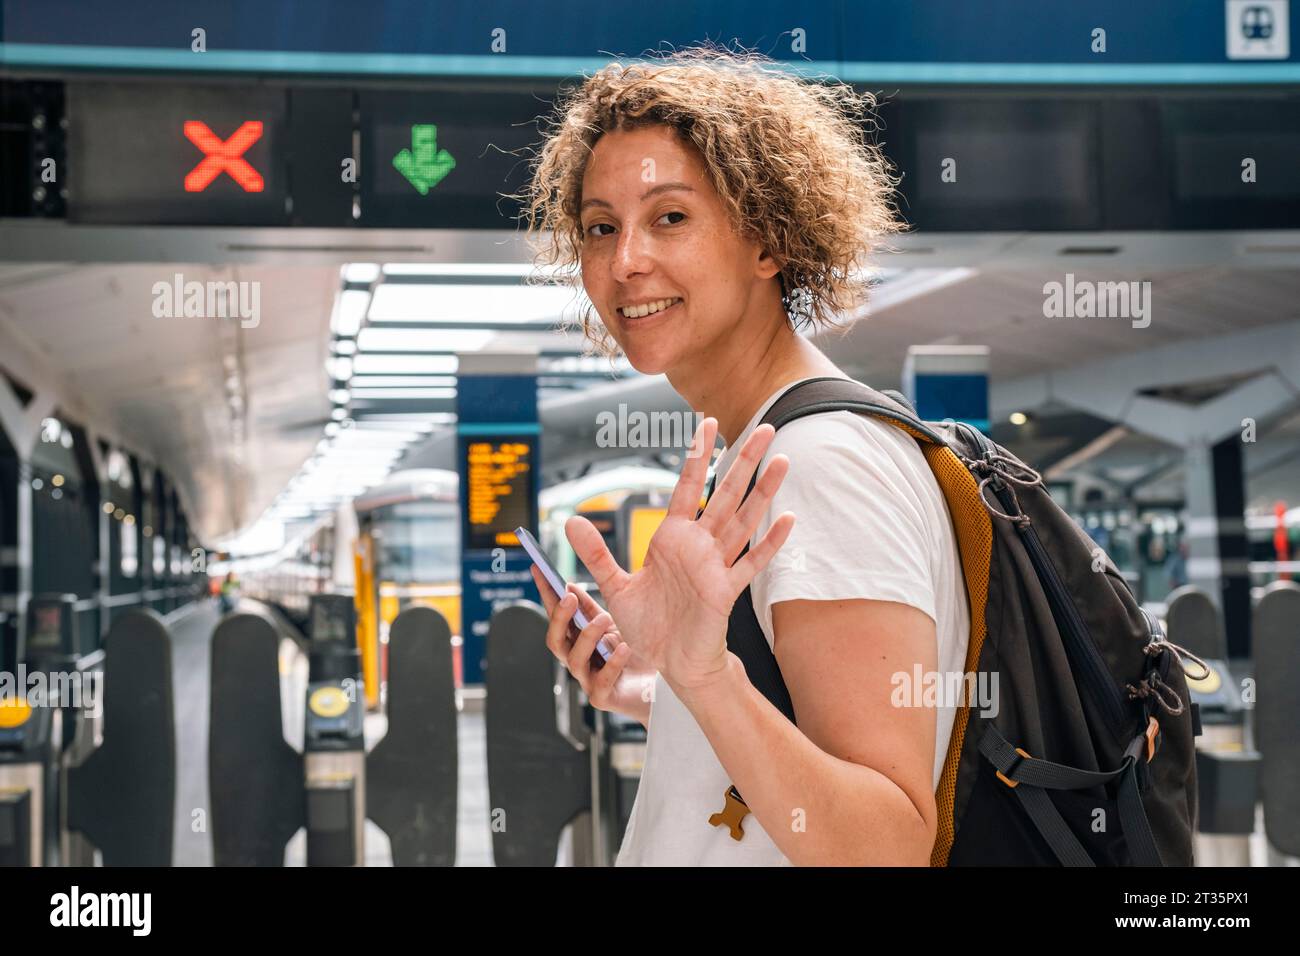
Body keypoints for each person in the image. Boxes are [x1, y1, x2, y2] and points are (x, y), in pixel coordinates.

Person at [520, 46, 969, 866]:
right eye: (599, 227)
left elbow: (887, 845)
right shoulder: (770, 446)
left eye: (670, 217)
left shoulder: (820, 465)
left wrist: (704, 674)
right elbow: (794, 740)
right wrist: (661, 696)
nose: (625, 263)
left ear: (769, 239)